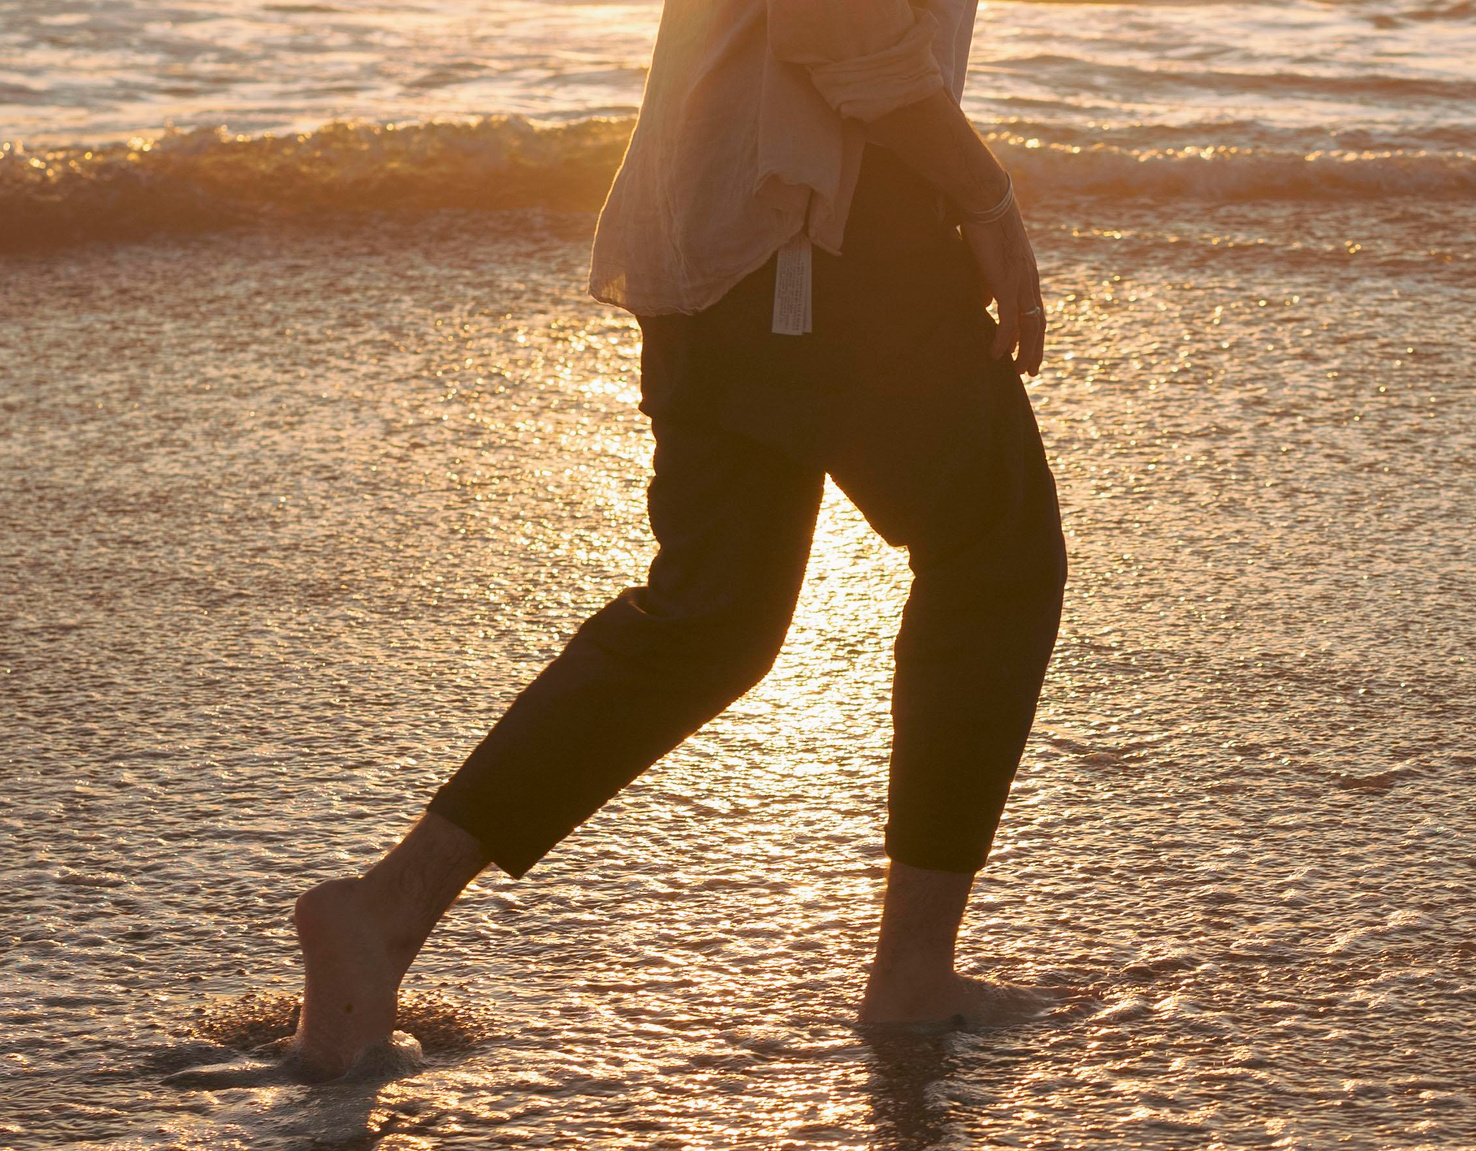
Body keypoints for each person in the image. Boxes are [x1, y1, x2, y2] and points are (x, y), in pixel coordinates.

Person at [286, 0, 1065, 1077]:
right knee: (996, 555)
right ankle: (913, 977)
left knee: (716, 617)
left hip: (721, 234)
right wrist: (989, 200)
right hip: (822, 242)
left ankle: (384, 914)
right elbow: (844, 39)